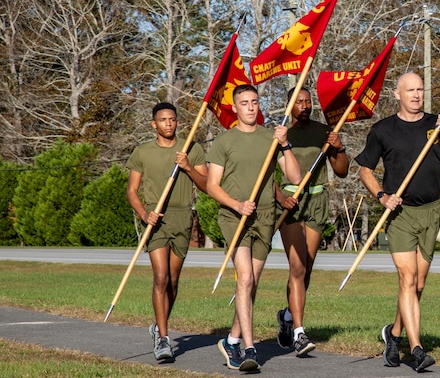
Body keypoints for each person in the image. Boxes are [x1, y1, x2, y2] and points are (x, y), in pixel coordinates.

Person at [355, 72, 440, 372]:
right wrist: (381, 196)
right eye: (410, 90)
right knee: (407, 279)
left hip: (430, 212)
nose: (416, 95)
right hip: (400, 214)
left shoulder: (436, 124)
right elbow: (365, 168)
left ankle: (394, 334)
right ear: (397, 94)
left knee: (418, 284)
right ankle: (417, 349)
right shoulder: (383, 130)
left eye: (420, 90)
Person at [207, 84, 301, 372]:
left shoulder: (270, 138)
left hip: (264, 216)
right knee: (245, 279)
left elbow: (295, 176)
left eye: (254, 102)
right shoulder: (224, 142)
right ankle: (250, 348)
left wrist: (285, 144)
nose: (250, 107)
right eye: (244, 103)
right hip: (234, 217)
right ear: (234, 108)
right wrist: (236, 205)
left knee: (251, 284)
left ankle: (232, 339)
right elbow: (212, 186)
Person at [125, 102, 209, 360]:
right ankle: (163, 339)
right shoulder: (143, 152)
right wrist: (144, 214)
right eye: (163, 120)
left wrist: (187, 167)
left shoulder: (191, 149)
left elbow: (206, 185)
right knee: (160, 278)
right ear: (154, 124)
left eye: (172, 119)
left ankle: (158, 326)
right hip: (155, 218)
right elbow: (131, 191)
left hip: (182, 216)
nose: (169, 124)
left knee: (172, 281)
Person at [274, 87, 349, 356]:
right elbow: (267, 174)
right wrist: (280, 197)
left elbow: (341, 171)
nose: (304, 106)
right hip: (290, 206)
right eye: (299, 102)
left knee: (305, 268)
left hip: (317, 202)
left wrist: (338, 148)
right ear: (290, 105)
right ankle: (299, 332)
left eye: (308, 102)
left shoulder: (323, 132)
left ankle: (286, 316)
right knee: (296, 267)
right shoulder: (281, 134)